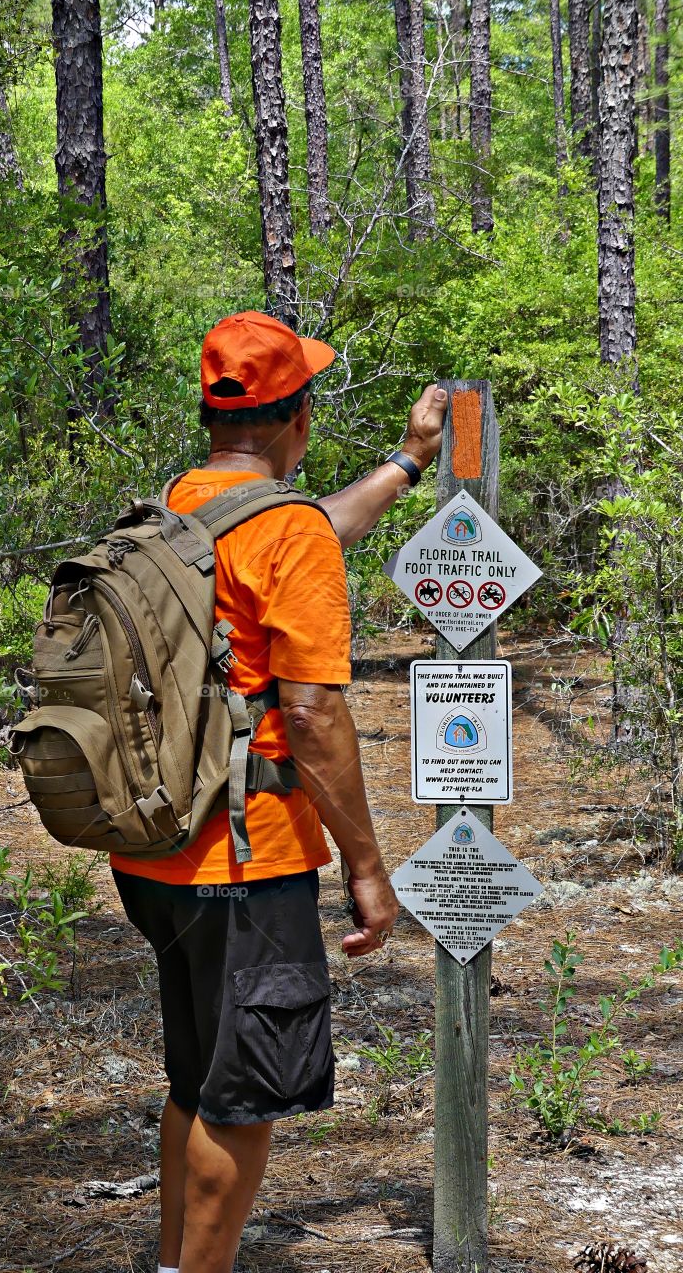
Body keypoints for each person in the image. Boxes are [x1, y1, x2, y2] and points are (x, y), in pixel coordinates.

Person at [109, 311, 446, 1273]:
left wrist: (408, 462)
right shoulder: (284, 536)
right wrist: (370, 871)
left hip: (154, 850)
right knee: (243, 1098)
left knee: (195, 1079)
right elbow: (311, 717)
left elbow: (307, 529)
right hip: (248, 858)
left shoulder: (181, 505)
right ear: (296, 417)